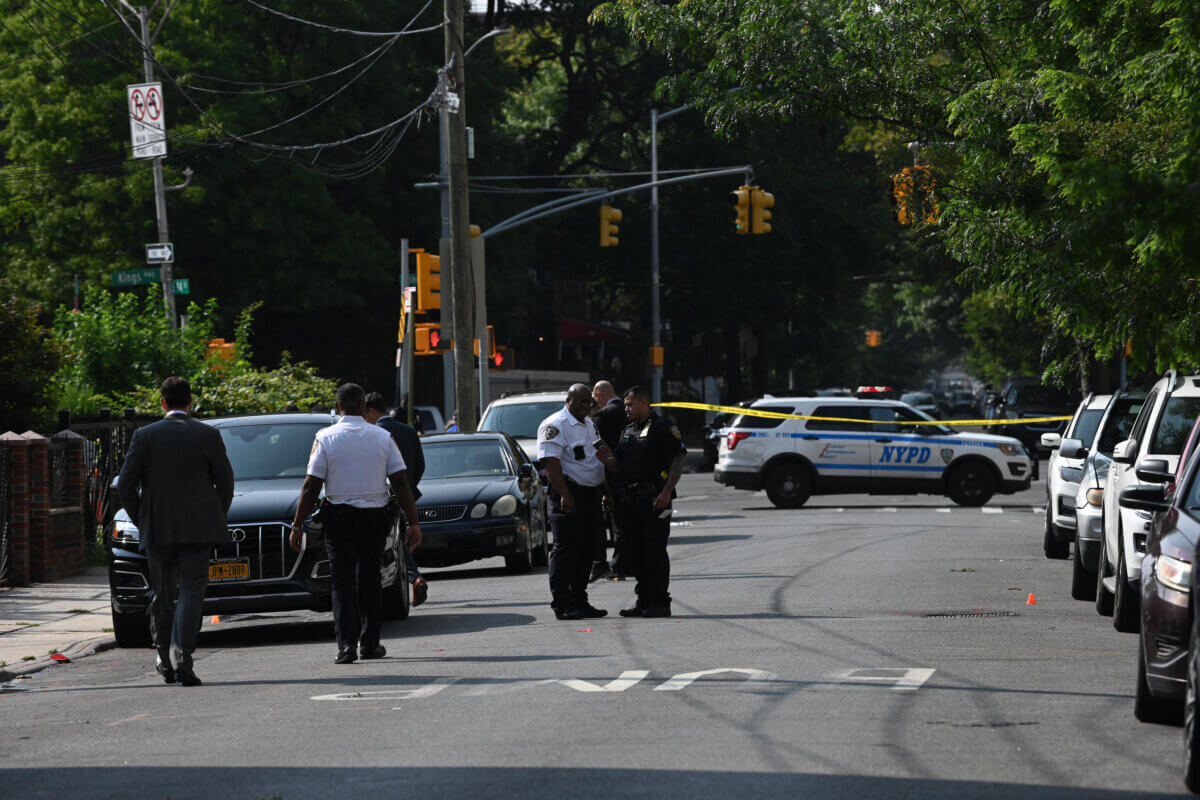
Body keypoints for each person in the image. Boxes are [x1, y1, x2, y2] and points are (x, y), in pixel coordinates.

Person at [289, 383, 422, 664]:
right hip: (374, 517)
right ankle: (370, 643)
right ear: (363, 405)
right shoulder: (383, 437)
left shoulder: (324, 438)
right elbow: (400, 482)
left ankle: (346, 646)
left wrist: (298, 525)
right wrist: (413, 522)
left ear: (338, 407)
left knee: (342, 581)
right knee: (370, 579)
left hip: (337, 516)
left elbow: (311, 486)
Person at [117, 377, 235, 687]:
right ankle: (183, 654)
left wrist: (143, 519)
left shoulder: (144, 436)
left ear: (162, 402)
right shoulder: (208, 434)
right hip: (198, 526)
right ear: (190, 402)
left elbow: (126, 485)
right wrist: (215, 514)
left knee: (163, 592)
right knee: (192, 589)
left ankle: (162, 655)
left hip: (158, 527)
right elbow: (225, 482)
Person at [596, 386, 687, 618]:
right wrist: (605, 459)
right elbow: (619, 465)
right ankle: (643, 599)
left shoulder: (663, 427)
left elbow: (678, 459)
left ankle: (660, 602)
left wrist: (667, 491)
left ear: (644, 403)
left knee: (654, 551)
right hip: (630, 502)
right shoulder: (628, 431)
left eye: (630, 404)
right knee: (634, 552)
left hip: (655, 499)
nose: (626, 408)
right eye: (625, 404)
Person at [538, 384, 608, 620]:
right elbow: (550, 463)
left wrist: (605, 489)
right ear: (568, 400)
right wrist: (566, 495)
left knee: (587, 550)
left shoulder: (589, 424)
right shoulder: (555, 425)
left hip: (590, 495)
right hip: (568, 495)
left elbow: (595, 459)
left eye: (589, 402)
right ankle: (562, 603)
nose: (585, 406)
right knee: (566, 550)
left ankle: (580, 599)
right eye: (580, 402)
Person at [363, 392, 429, 607]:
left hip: (383, 496)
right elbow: (420, 465)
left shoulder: (373, 434)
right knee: (401, 536)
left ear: (371, 411)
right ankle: (413, 578)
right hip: (407, 493)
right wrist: (410, 488)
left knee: (396, 539)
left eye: (365, 414)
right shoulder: (409, 431)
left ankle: (413, 577)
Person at [590, 380, 629, 581]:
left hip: (607, 476)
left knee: (607, 523)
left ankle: (611, 567)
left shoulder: (601, 416)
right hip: (630, 475)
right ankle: (625, 564)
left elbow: (594, 446)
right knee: (624, 523)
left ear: (599, 394)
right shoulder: (629, 410)